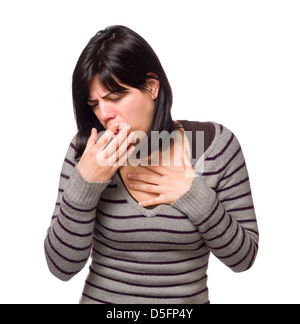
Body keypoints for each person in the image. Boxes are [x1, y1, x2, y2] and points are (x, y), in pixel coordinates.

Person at [44, 25, 259, 304]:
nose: (104, 114)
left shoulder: (216, 147)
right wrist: (85, 184)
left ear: (152, 87)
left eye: (115, 97)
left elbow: (243, 259)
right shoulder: (87, 150)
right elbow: (61, 267)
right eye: (94, 103)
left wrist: (194, 196)